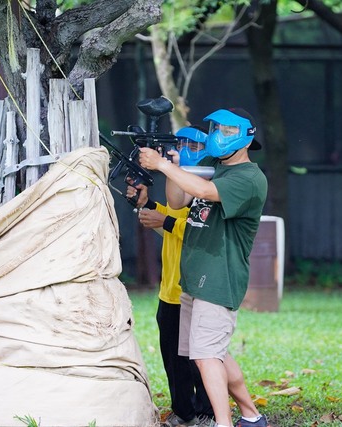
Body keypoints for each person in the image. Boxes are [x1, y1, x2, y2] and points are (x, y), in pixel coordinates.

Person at [138, 108, 269, 427]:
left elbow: (206, 193)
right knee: (216, 353)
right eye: (216, 128)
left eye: (226, 130)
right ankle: (252, 416)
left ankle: (224, 423)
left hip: (219, 279)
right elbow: (179, 200)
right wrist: (175, 168)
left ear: (245, 136)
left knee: (206, 356)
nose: (217, 135)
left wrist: (165, 165)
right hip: (194, 280)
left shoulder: (249, 178)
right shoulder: (214, 167)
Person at [128, 126, 214, 427]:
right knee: (174, 360)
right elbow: (171, 217)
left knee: (199, 358)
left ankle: (207, 412)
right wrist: (145, 205)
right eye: (179, 142)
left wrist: (162, 220)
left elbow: (201, 233)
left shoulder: (208, 186)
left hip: (197, 288)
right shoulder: (181, 185)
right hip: (170, 290)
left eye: (191, 144)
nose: (183, 147)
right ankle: (184, 412)